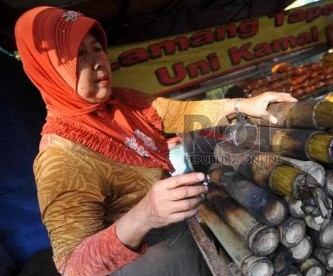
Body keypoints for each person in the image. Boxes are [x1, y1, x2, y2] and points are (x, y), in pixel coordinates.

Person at [14, 6, 297, 276]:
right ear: (50, 72)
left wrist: (242, 105)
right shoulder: (61, 157)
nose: (98, 62)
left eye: (96, 48)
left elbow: (179, 112)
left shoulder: (123, 103)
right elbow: (73, 265)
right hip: (145, 267)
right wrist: (144, 215)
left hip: (185, 239)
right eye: (78, 56)